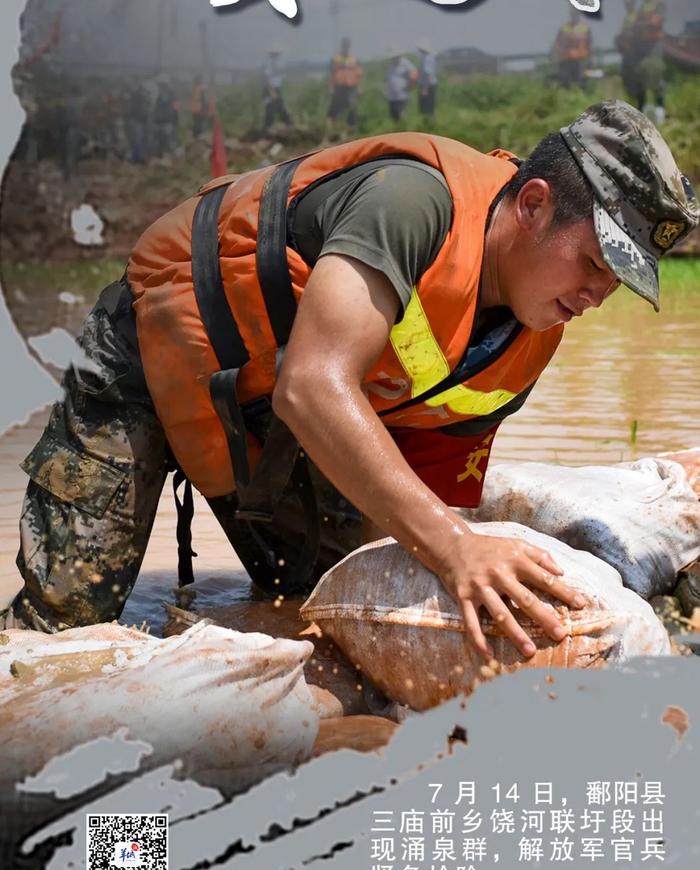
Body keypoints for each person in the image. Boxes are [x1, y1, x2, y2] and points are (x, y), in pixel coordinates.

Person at [3, 103, 698, 663]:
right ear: (535, 204)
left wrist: (408, 596)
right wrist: (456, 549)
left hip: (275, 418)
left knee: (320, 603)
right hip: (151, 354)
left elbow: (417, 484)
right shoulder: (412, 203)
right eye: (594, 262)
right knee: (60, 626)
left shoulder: (531, 335)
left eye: (619, 281)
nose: (598, 293)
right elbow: (311, 384)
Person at [634, 0, 666, 123]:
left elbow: (656, 22)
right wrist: (641, 25)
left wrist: (642, 24)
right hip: (642, 45)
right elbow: (636, 26)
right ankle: (641, 108)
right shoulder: (641, 8)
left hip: (654, 45)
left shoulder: (658, 5)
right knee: (641, 76)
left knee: (656, 74)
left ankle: (660, 108)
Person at [327, 38, 362, 136]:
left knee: (352, 108)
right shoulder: (336, 58)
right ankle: (332, 131)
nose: (346, 46)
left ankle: (352, 130)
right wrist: (331, 87)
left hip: (351, 88)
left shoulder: (353, 58)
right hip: (339, 87)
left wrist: (359, 87)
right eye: (344, 44)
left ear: (349, 46)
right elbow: (331, 73)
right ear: (342, 45)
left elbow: (358, 73)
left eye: (348, 44)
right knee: (336, 108)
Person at [552, 8, 591, 87]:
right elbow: (557, 43)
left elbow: (589, 44)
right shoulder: (564, 27)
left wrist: (590, 60)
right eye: (573, 14)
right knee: (565, 82)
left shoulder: (585, 28)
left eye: (576, 14)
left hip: (580, 60)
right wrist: (557, 57)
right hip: (566, 59)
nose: (575, 16)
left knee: (580, 82)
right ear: (571, 14)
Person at [615, 0, 641, 105]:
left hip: (634, 52)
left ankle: (638, 101)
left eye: (629, 3)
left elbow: (636, 33)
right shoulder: (628, 17)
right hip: (627, 52)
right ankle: (632, 100)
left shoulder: (637, 16)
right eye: (626, 3)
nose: (627, 5)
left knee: (635, 78)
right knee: (626, 78)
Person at [262, 49, 292, 130]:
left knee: (277, 107)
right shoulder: (270, 63)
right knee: (272, 108)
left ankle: (286, 124)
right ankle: (288, 124)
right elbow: (266, 78)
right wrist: (272, 91)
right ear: (271, 54)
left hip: (276, 88)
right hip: (270, 89)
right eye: (274, 53)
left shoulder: (276, 63)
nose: (276, 55)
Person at [386, 50, 418, 122]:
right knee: (394, 115)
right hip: (392, 96)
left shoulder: (405, 63)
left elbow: (414, 74)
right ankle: (397, 128)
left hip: (402, 95)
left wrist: (410, 86)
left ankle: (404, 128)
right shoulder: (391, 64)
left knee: (401, 113)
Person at [416, 42, 438, 120]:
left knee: (427, 107)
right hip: (429, 84)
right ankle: (428, 121)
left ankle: (428, 122)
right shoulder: (429, 57)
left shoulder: (427, 58)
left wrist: (425, 88)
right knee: (428, 106)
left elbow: (428, 74)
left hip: (427, 85)